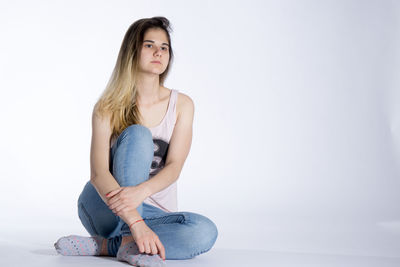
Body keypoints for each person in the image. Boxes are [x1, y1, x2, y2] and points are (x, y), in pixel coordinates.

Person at [53, 16, 218, 267]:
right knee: (139, 134)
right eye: (149, 45)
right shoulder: (107, 107)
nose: (158, 52)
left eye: (164, 48)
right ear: (133, 50)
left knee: (205, 232)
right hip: (105, 205)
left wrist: (141, 194)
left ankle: (107, 246)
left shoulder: (182, 105)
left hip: (154, 212)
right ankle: (130, 237)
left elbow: (174, 167)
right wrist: (135, 221)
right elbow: (98, 175)